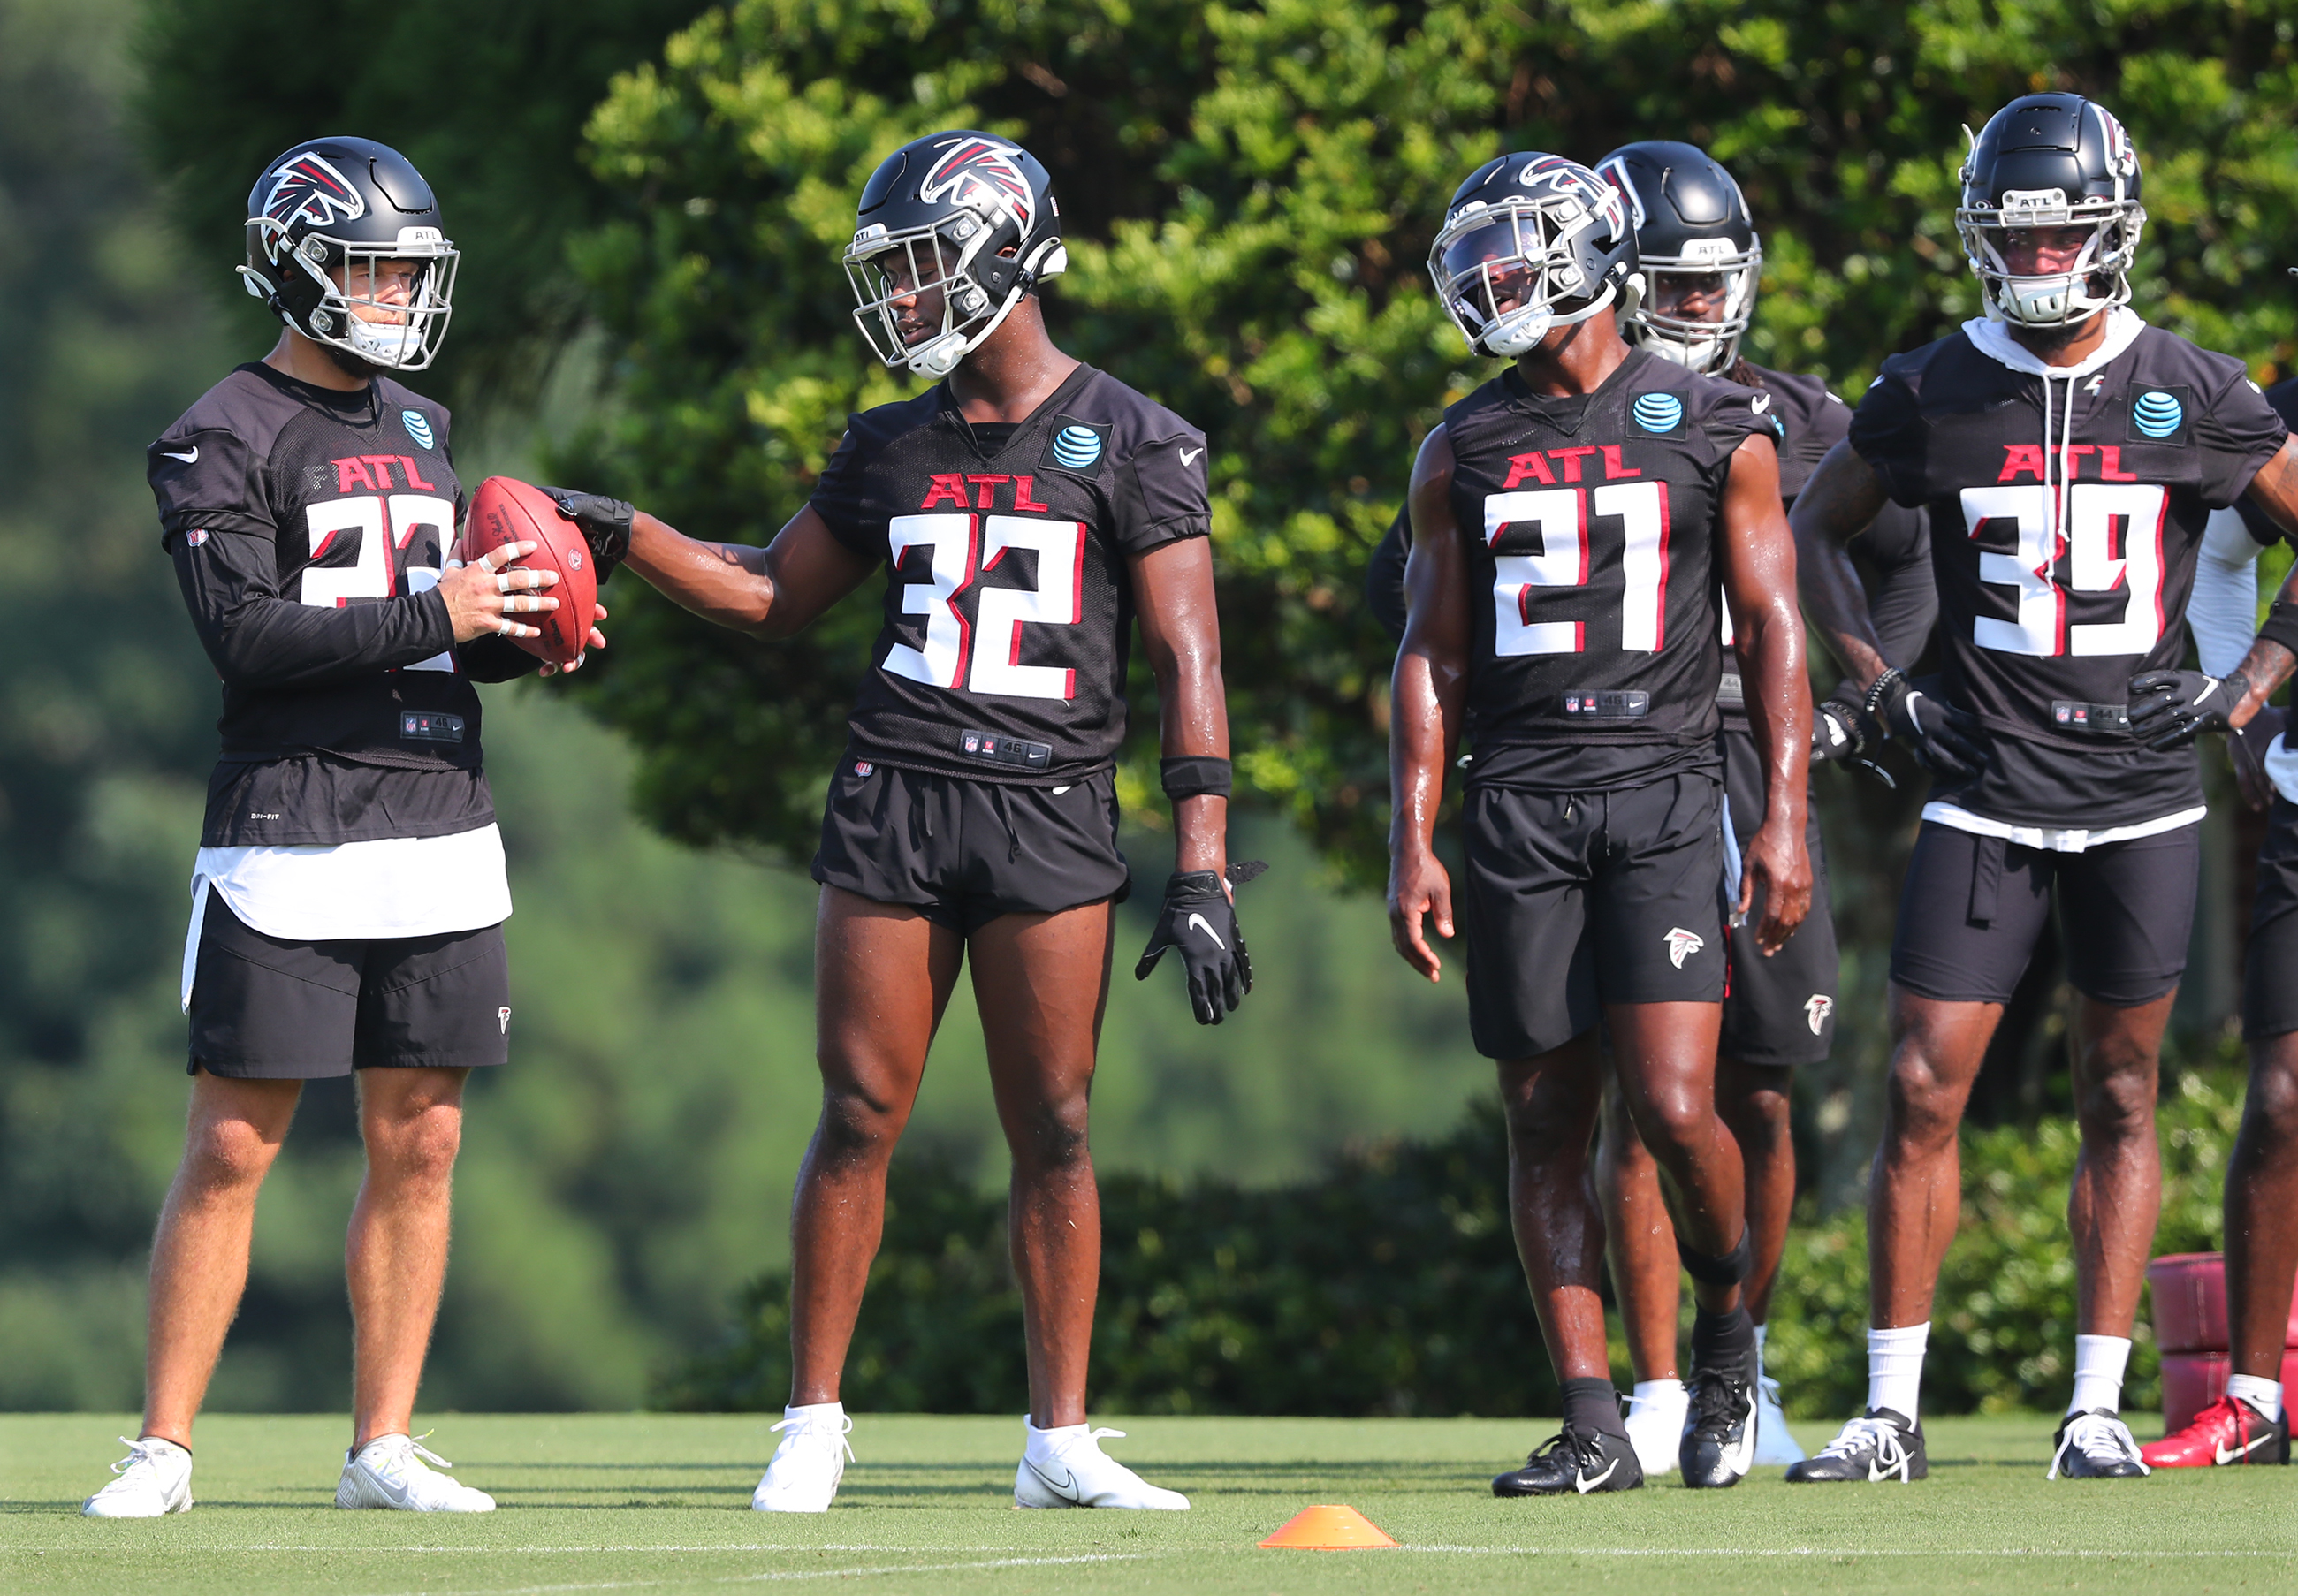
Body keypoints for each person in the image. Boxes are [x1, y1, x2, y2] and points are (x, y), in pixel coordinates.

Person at [592, 131, 1238, 1512]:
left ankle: (1060, 1437)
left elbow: (1191, 661)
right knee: (858, 1109)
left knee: (1056, 1122)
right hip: (899, 792)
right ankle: (812, 1419)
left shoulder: (1136, 435)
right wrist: (621, 530)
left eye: (924, 264)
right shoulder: (891, 442)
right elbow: (769, 595)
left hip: (1052, 806)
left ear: (1006, 252)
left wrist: (1204, 863)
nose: (903, 296)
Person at [81, 137, 607, 1518]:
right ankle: (164, 1446)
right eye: (370, 266)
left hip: (440, 809)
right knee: (235, 1142)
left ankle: (383, 1442)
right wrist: (441, 614)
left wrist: (516, 634)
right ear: (296, 266)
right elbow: (247, 637)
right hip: (294, 816)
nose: (392, 294)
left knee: (422, 1136)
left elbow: (428, 638)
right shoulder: (218, 432)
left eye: (405, 271)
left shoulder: (425, 425)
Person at [1786, 93, 2298, 1483]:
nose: (2041, 255)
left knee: (2121, 1089)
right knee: (1916, 1083)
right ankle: (1891, 1410)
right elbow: (1810, 535)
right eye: (2019, 232)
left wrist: (2244, 686)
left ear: (2115, 223)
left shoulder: (2195, 388)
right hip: (1985, 784)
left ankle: (2094, 1406)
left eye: (2066, 226)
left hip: (2141, 788)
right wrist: (1876, 685)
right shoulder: (1930, 386)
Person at [1388, 150, 1812, 1496]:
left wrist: (1787, 814)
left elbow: (1776, 628)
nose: (1492, 285)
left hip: (1667, 786)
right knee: (1541, 1112)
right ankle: (1590, 1419)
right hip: (1517, 796)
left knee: (1682, 1107)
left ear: (1584, 255)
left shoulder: (1716, 422)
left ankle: (1729, 1331)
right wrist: (1414, 831)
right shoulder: (1461, 443)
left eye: (1514, 257)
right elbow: (1430, 653)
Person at [1588, 141, 1937, 1476]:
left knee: (1767, 1092)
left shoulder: (1813, 420)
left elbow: (1904, 561)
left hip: (1757, 762)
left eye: (1709, 284)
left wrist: (1865, 692)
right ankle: (1659, 1383)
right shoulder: (1547, 414)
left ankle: (1744, 1363)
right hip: (1618, 768)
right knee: (1640, 1090)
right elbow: (1428, 593)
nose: (1692, 308)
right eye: (1665, 285)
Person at [2125, 370, 2298, 1469]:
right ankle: (2252, 1397)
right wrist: (2244, 701)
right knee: (2281, 1101)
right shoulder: (2276, 420)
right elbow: (2225, 555)